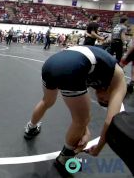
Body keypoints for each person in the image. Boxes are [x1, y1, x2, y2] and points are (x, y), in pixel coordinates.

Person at [24, 45, 126, 175]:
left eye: (103, 102)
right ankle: (64, 159)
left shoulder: (99, 71)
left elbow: (78, 107)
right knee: (81, 119)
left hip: (51, 63)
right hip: (72, 67)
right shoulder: (119, 81)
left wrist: (84, 128)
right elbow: (109, 121)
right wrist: (98, 148)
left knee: (47, 101)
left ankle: (31, 127)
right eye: (106, 101)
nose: (102, 99)